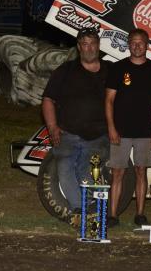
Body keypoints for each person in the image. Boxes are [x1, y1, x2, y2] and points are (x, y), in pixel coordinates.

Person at [42, 28, 109, 220]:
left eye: (93, 43)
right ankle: (80, 210)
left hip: (98, 135)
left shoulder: (110, 71)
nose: (89, 48)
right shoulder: (65, 70)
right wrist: (52, 126)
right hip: (67, 134)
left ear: (98, 45)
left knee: (86, 169)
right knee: (64, 169)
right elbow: (48, 99)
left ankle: (87, 209)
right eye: (85, 44)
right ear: (79, 47)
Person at [105, 28, 151, 227]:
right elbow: (108, 101)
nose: (137, 46)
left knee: (142, 172)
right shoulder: (117, 69)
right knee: (117, 173)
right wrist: (111, 129)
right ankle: (112, 215)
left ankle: (140, 214)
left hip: (145, 132)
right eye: (133, 42)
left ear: (147, 45)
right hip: (121, 131)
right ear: (128, 44)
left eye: (141, 42)